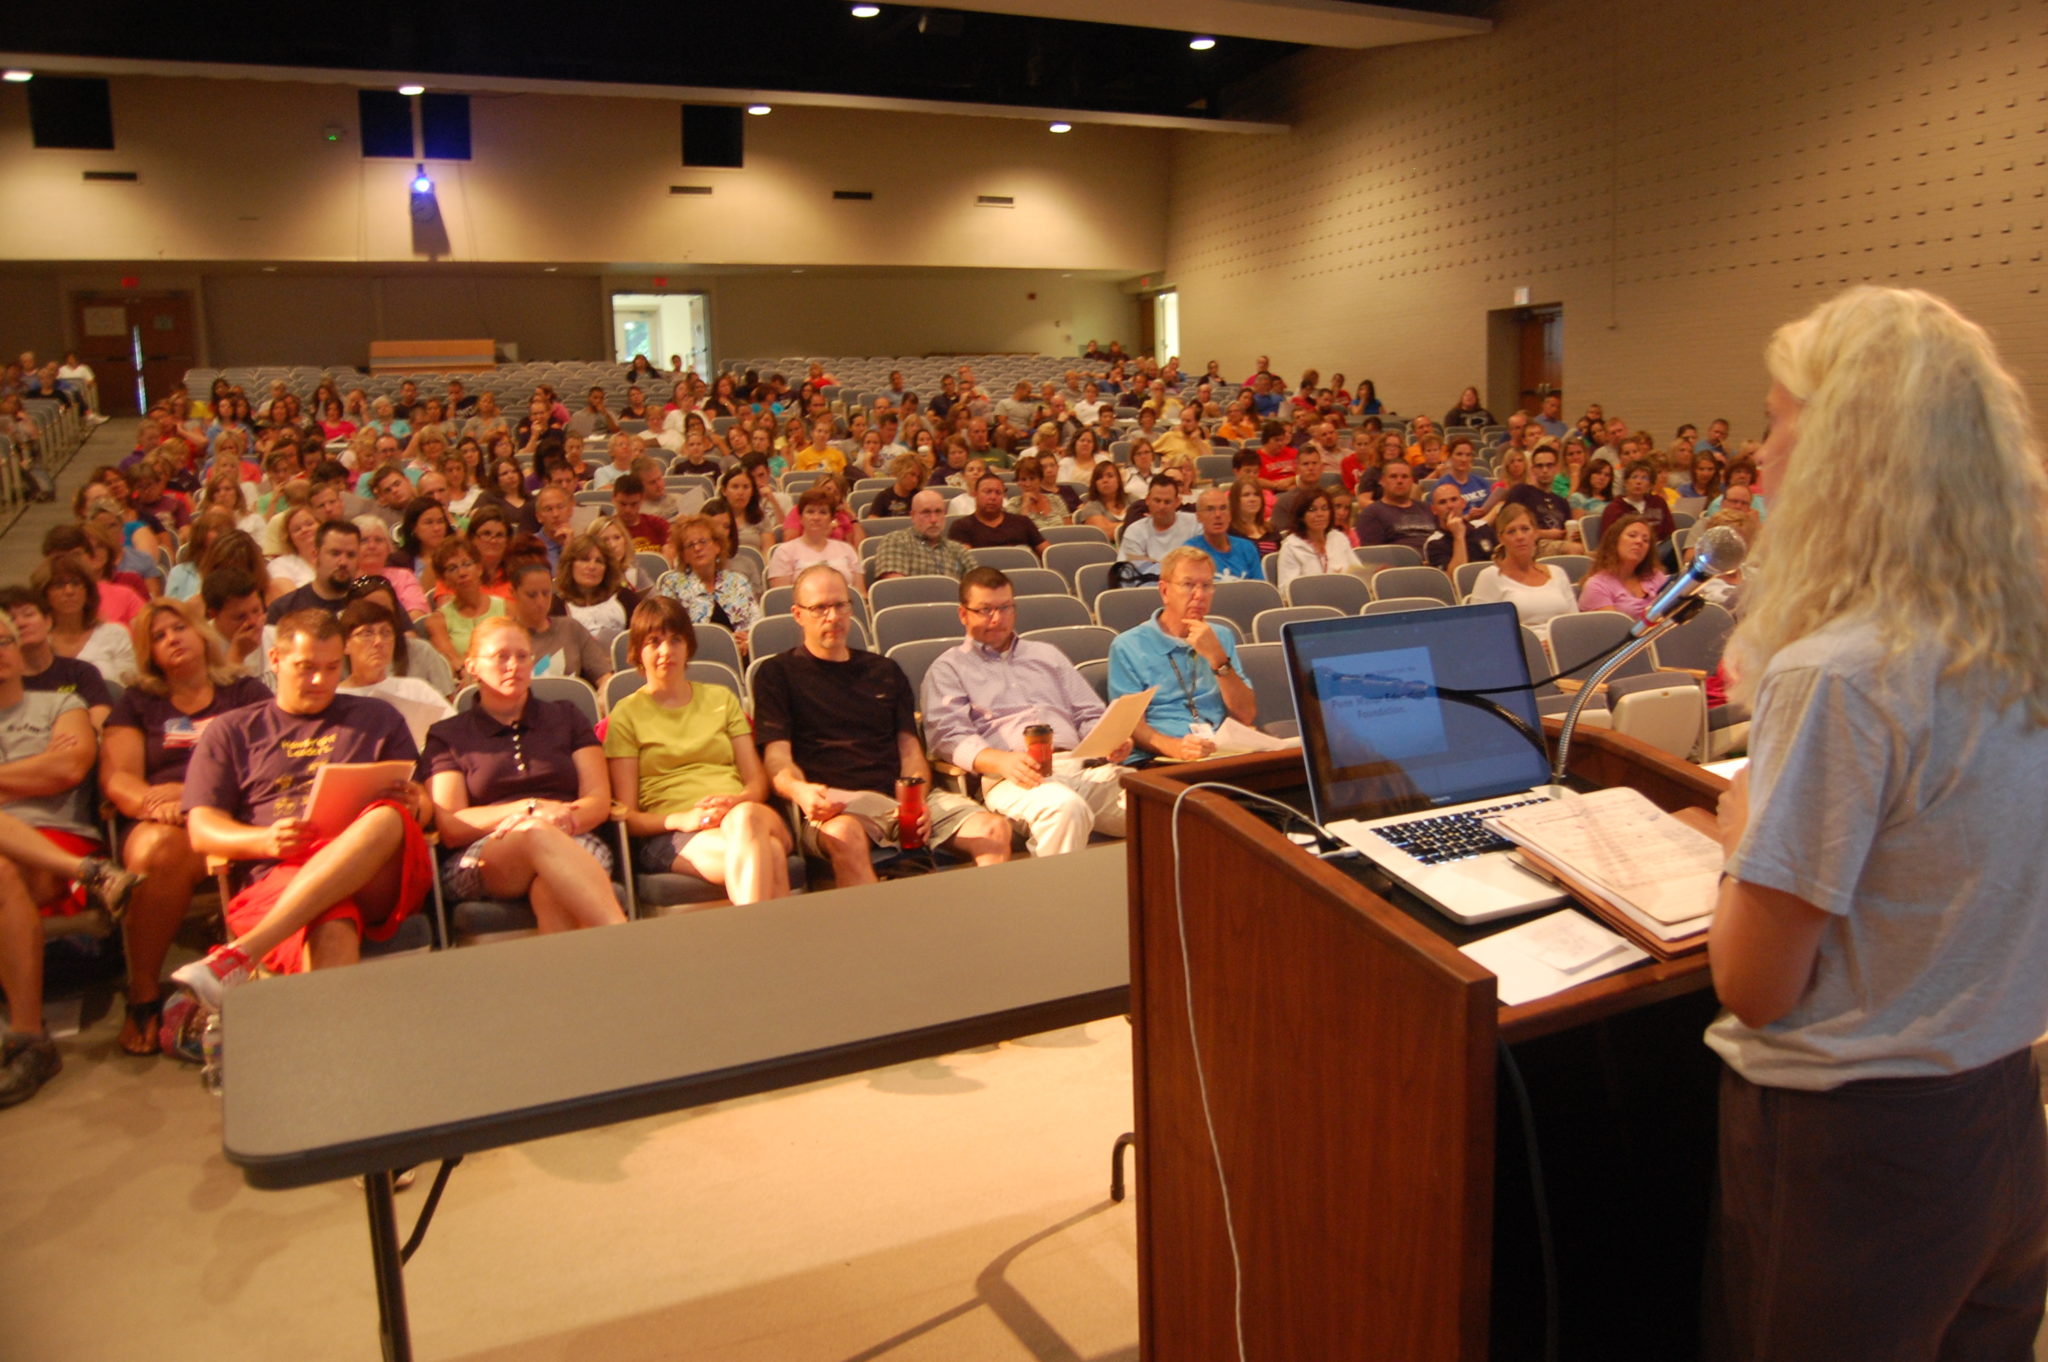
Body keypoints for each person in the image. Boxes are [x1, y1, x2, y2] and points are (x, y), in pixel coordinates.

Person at [1693, 287, 2048, 1362]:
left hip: (1849, 1150)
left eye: (1773, 419)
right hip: (1999, 1113)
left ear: (1846, 446)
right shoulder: (2009, 637)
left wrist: (1743, 817)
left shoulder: (1840, 672)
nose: (1751, 456)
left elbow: (1754, 985)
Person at [168, 610, 435, 1008]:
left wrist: (418, 804)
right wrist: (265, 840)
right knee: (332, 923)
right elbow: (202, 829)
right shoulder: (234, 729)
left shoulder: (376, 718)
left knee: (387, 816)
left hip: (374, 873)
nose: (319, 681)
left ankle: (241, 954)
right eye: (306, 668)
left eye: (331, 668)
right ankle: (337, 1061)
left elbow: (427, 809)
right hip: (280, 873)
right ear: (275, 660)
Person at [755, 565, 1010, 885]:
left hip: (902, 799)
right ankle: (872, 932)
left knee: (994, 830)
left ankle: (990, 927)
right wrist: (801, 791)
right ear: (798, 614)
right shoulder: (777, 674)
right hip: (835, 806)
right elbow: (777, 760)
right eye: (820, 608)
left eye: (840, 605)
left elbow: (909, 750)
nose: (832, 616)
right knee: (846, 835)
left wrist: (914, 803)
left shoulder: (884, 670)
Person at [100, 600, 272, 1053]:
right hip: (164, 821)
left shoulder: (244, 691)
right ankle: (144, 990)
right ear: (148, 653)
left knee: (170, 849)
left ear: (201, 633)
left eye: (179, 628)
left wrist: (193, 796)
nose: (172, 638)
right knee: (156, 852)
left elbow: (272, 760)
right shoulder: (139, 703)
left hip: (233, 810)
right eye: (158, 636)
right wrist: (161, 805)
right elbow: (118, 778)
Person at [0, 610, 143, 1105]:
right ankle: (97, 877)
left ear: (18, 650)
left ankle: (26, 1036)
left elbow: (70, 765)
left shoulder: (61, 704)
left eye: (3, 641)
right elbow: (48, 767)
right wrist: (32, 768)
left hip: (57, 840)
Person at [422, 617, 626, 932]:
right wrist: (530, 809)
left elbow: (598, 801)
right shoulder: (448, 735)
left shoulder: (566, 716)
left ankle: (563, 981)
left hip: (571, 834)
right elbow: (451, 825)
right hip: (487, 852)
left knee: (551, 887)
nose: (513, 665)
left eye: (522, 656)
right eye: (501, 656)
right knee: (533, 833)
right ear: (473, 665)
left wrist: (559, 818)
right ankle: (623, 937)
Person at [922, 568, 1129, 856]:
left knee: (1159, 802)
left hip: (1082, 767)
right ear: (963, 614)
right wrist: (1001, 761)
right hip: (1011, 777)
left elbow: (1088, 713)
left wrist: (1109, 740)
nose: (997, 618)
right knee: (1065, 808)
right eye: (985, 610)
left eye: (1005, 608)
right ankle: (1053, 902)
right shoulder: (948, 669)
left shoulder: (1047, 655)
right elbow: (948, 737)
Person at [605, 600, 793, 903]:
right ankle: (776, 946)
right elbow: (627, 816)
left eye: (675, 640)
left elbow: (757, 783)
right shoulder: (626, 715)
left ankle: (755, 945)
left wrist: (736, 801)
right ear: (638, 651)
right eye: (654, 642)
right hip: (672, 834)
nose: (666, 651)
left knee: (745, 819)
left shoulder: (721, 698)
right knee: (767, 852)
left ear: (688, 645)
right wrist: (682, 819)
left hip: (746, 814)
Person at [1107, 547, 1256, 762]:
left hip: (1219, 751)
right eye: (1188, 585)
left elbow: (1246, 714)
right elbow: (1131, 725)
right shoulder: (1128, 646)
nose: (1199, 595)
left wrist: (1218, 659)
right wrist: (1176, 748)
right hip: (1159, 758)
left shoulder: (1220, 636)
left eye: (1206, 586)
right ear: (1165, 591)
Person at [335, 600, 454, 746]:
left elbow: (454, 731)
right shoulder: (336, 699)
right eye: (367, 633)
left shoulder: (416, 689)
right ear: (345, 644)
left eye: (386, 633)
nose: (378, 641)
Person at [1463, 503, 1579, 637]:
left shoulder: (1557, 573)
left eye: (1525, 529)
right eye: (1511, 531)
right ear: (1501, 538)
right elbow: (1481, 632)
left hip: (1562, 647)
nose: (1520, 537)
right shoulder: (1489, 577)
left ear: (1535, 533)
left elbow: (1574, 624)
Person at [656, 515, 759, 648]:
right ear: (683, 555)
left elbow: (755, 622)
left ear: (717, 546)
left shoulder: (737, 581)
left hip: (741, 653)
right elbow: (668, 628)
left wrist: (747, 640)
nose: (697, 548)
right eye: (690, 545)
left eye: (703, 541)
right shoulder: (672, 584)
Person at [31, 553, 135, 685]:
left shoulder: (115, 634)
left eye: (76, 583)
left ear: (88, 591)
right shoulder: (35, 641)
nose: (69, 591)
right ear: (44, 593)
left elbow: (128, 691)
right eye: (59, 585)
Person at [506, 562, 609, 688]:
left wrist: (604, 693)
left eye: (546, 593)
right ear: (513, 593)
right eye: (531, 595)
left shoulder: (570, 628)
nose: (540, 602)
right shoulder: (503, 637)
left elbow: (604, 675)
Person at [555, 532, 642, 652]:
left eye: (599, 561)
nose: (592, 567)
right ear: (570, 564)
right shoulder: (556, 606)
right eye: (585, 560)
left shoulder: (626, 598)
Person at [768, 488, 865, 592]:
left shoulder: (847, 550)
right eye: (810, 512)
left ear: (831, 518)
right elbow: (782, 597)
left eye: (823, 512)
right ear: (800, 517)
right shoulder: (784, 552)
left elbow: (860, 594)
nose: (816, 517)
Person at [870, 489, 977, 582]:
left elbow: (979, 585)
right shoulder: (895, 540)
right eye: (926, 512)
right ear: (913, 516)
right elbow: (896, 588)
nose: (934, 519)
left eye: (938, 512)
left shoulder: (958, 550)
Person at [1577, 514, 1669, 622]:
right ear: (1614, 541)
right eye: (1632, 535)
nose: (1639, 542)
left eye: (1645, 540)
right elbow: (1614, 630)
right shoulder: (1596, 586)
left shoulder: (1656, 576)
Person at [1275, 487, 1367, 592]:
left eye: (1324, 508)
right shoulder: (1291, 546)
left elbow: (1359, 576)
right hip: (1310, 604)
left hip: (1345, 597)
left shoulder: (1339, 538)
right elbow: (1286, 591)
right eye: (1312, 510)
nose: (1320, 514)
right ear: (1301, 516)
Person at [432, 536, 508, 660]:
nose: (462, 573)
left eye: (467, 564)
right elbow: (452, 663)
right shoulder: (437, 621)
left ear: (479, 568)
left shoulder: (508, 609)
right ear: (444, 580)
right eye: (452, 568)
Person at [949, 472, 1046, 558]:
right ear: (975, 494)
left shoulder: (1023, 522)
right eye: (987, 492)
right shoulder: (961, 527)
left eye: (998, 493)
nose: (993, 497)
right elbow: (966, 562)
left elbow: (1046, 553)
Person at [1118, 477, 1198, 577]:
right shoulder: (1134, 532)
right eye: (1157, 501)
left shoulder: (1195, 524)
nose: (1161, 507)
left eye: (1167, 502)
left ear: (1177, 502)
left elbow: (1203, 565)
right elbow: (1128, 574)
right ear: (1147, 500)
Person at [1353, 461, 1436, 556]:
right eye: (1393, 476)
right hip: (1399, 567)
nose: (1399, 481)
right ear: (1382, 481)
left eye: (1405, 477)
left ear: (1412, 482)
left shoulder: (1426, 508)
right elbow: (1373, 557)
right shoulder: (1371, 514)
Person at [1188, 486, 1264, 582]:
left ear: (1230, 515)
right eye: (1210, 509)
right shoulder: (1191, 551)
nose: (1218, 515)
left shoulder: (1247, 547)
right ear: (1198, 517)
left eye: (1223, 508)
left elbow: (1259, 589)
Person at [1420, 480, 1499, 573]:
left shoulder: (1482, 528)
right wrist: (1458, 536)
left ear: (1463, 503)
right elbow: (1454, 578)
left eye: (1454, 499)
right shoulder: (1434, 543)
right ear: (1434, 510)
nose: (1450, 506)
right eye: (1442, 502)